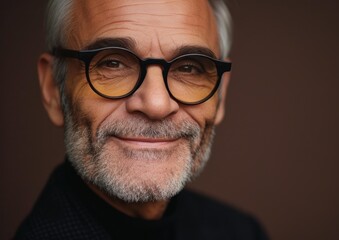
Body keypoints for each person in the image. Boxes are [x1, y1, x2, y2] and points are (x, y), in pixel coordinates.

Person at [14, 0, 268, 239]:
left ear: (221, 94)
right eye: (113, 63)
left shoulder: (241, 232)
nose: (156, 105)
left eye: (189, 67)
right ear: (53, 89)